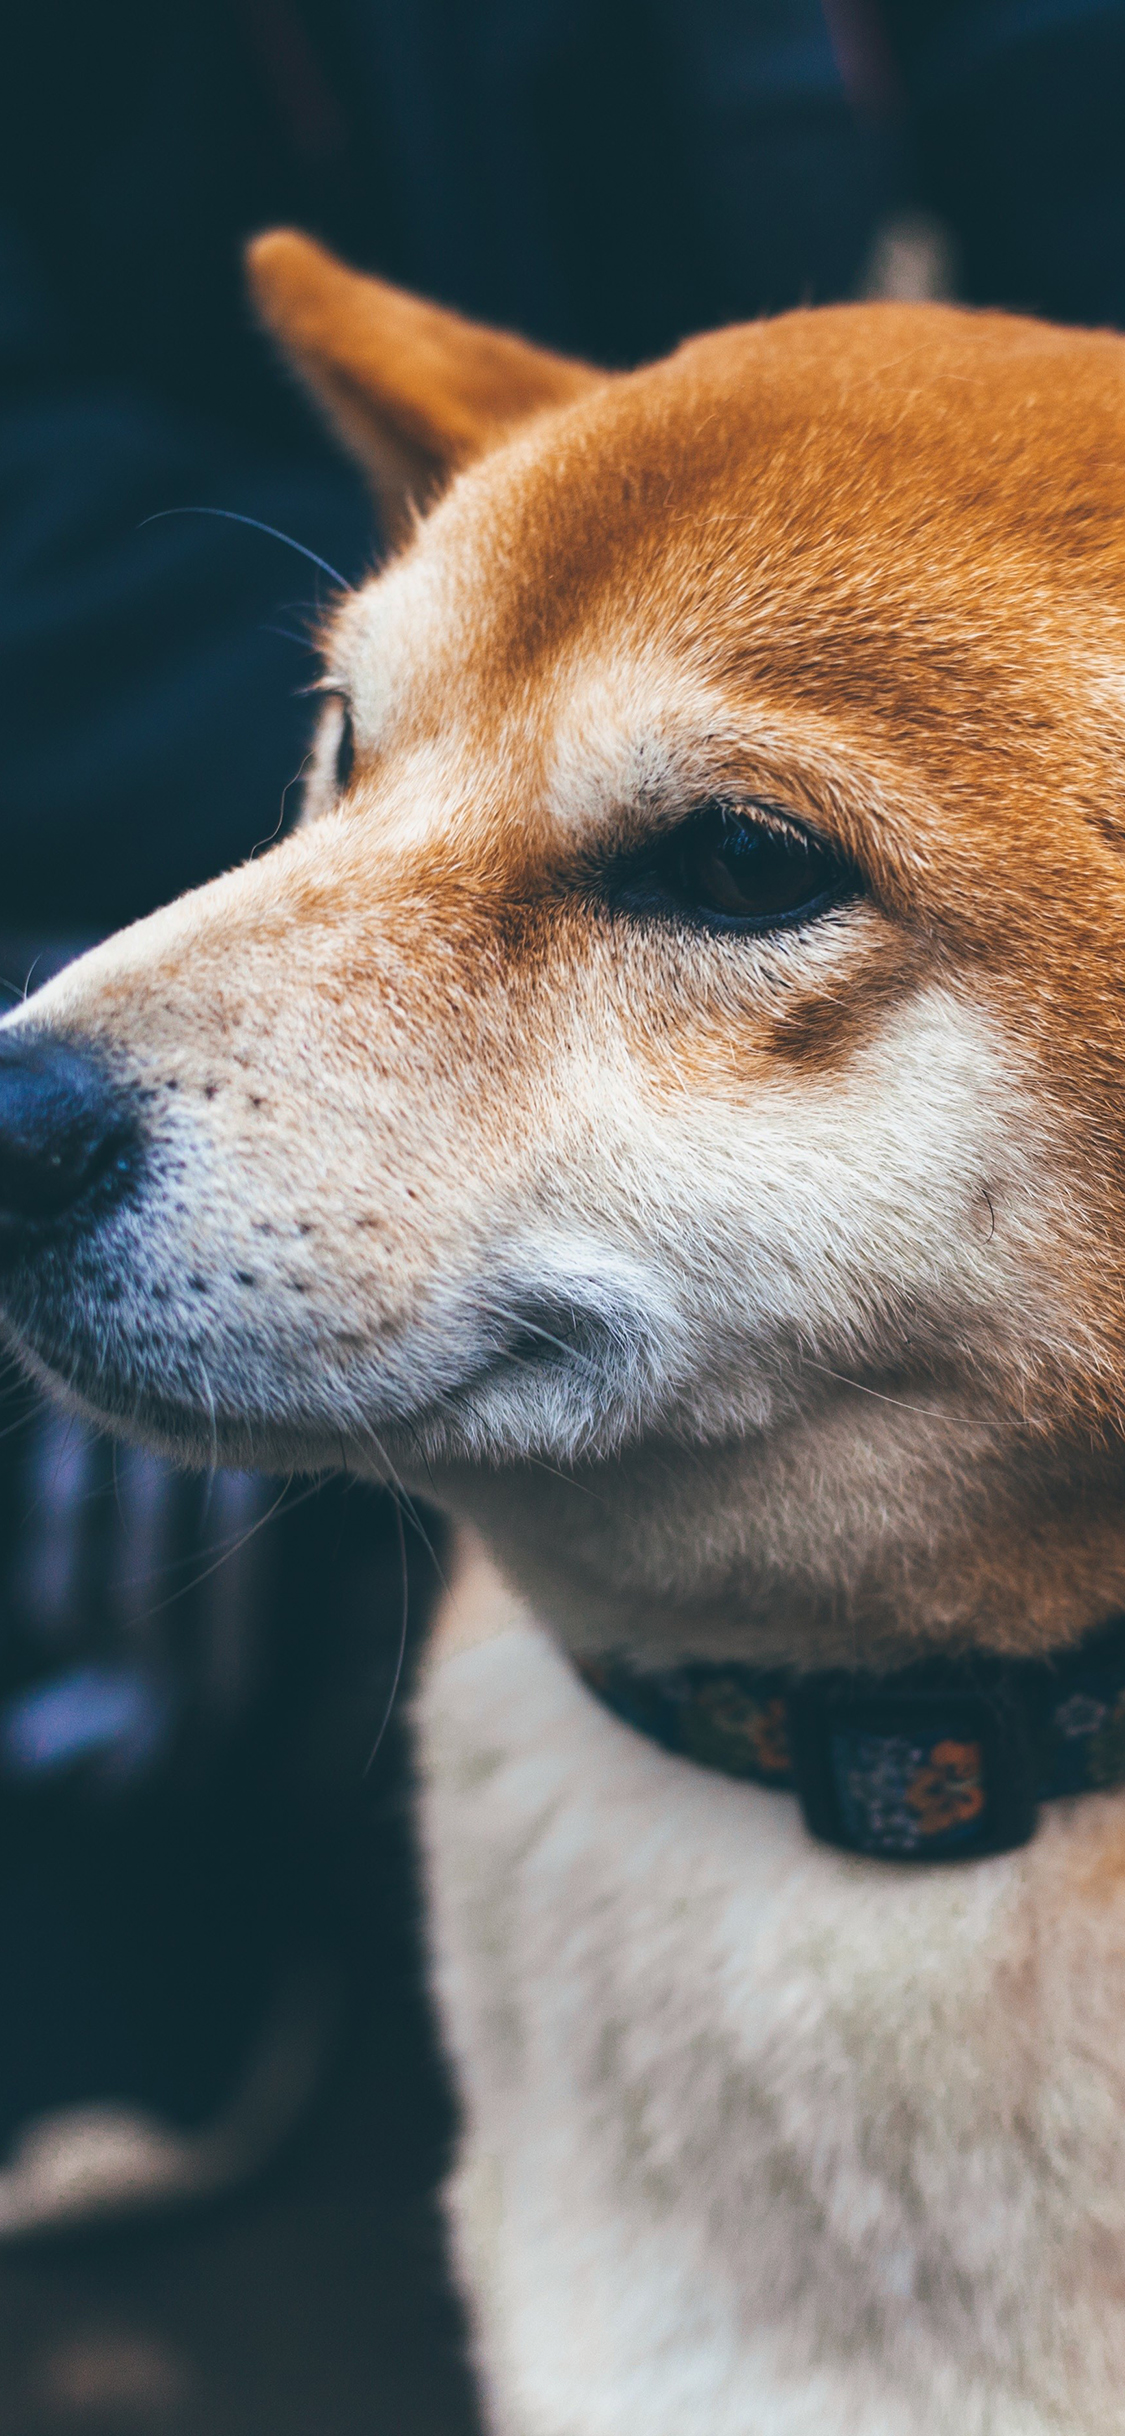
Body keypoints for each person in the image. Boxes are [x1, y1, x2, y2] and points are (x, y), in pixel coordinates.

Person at [0, 0, 1121, 2236]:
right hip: (246, 606)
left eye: (732, 869)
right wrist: (525, 626)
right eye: (362, 729)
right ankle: (128, 1813)